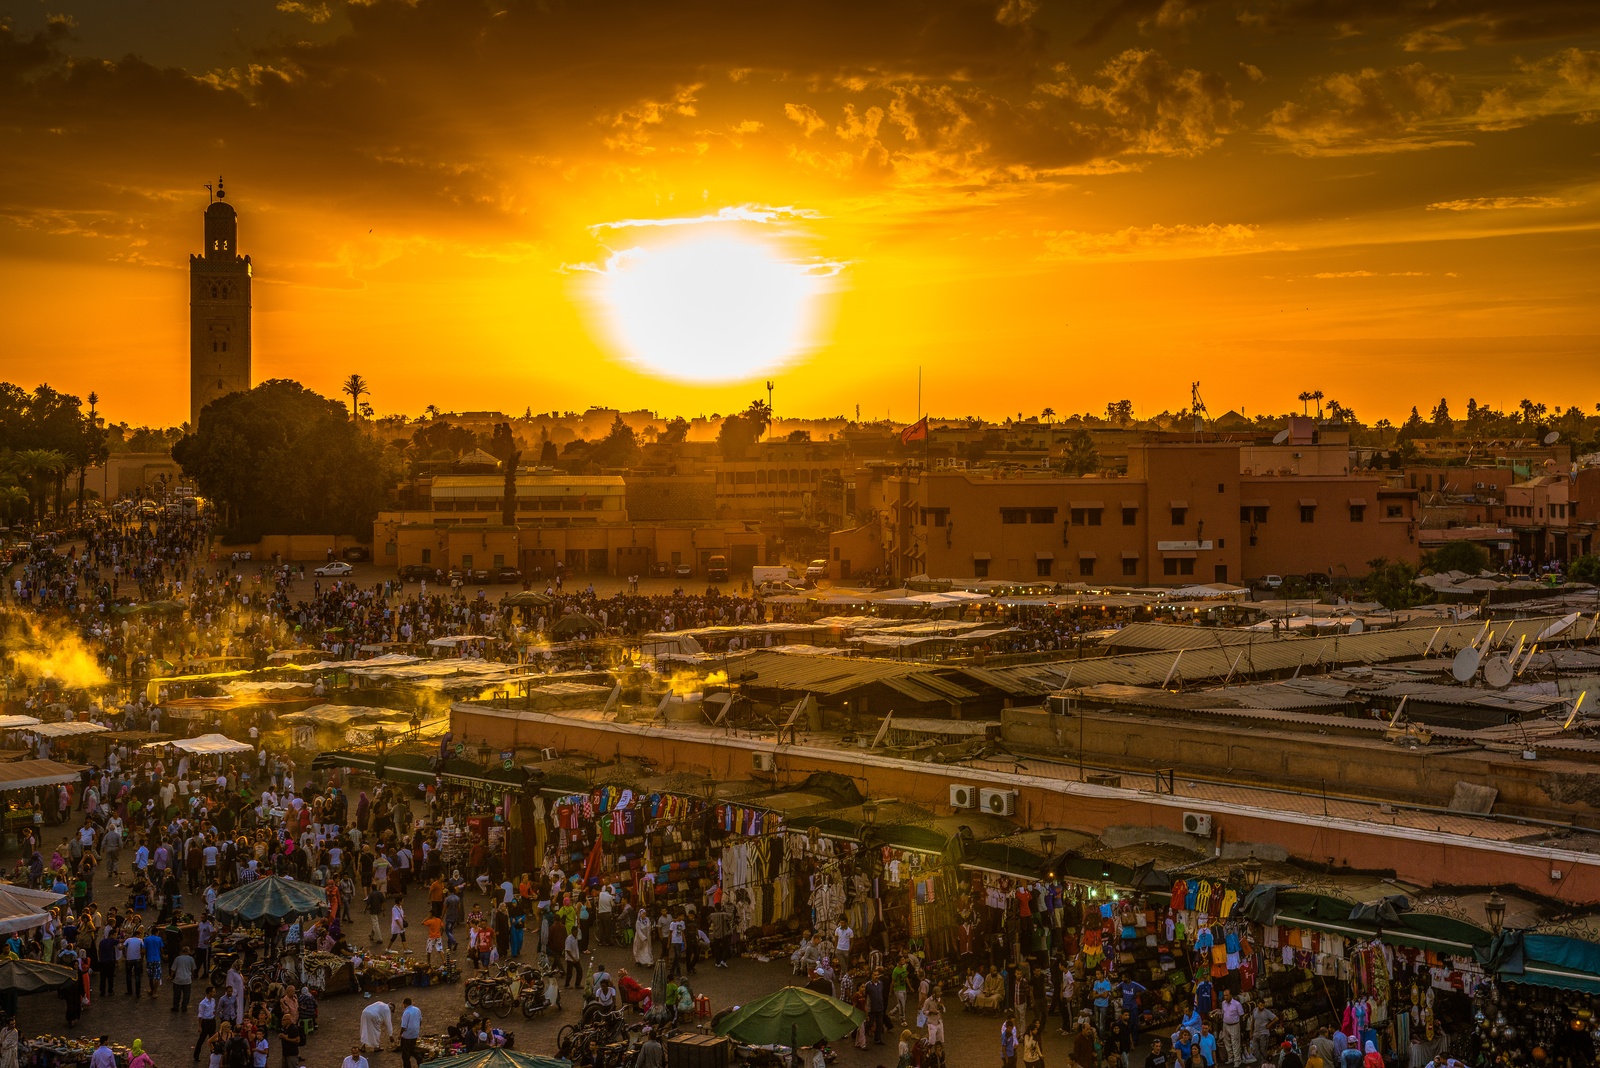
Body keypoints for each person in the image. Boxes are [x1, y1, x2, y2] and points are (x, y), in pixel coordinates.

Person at [399, 997, 422, 1068]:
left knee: (405, 1055)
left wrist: (400, 1034)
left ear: (405, 1004)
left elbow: (404, 1026)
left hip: (407, 1036)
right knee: (413, 1049)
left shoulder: (406, 1012)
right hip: (415, 1034)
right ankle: (420, 1060)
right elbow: (420, 1021)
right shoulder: (417, 1009)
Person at [172, 946, 196, 1013]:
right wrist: (192, 975)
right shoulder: (191, 959)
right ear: (188, 951)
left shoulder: (178, 958)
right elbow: (193, 969)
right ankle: (184, 1007)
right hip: (187, 980)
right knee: (186, 995)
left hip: (178, 979)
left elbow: (173, 969)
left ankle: (176, 1007)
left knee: (177, 994)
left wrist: (171, 976)